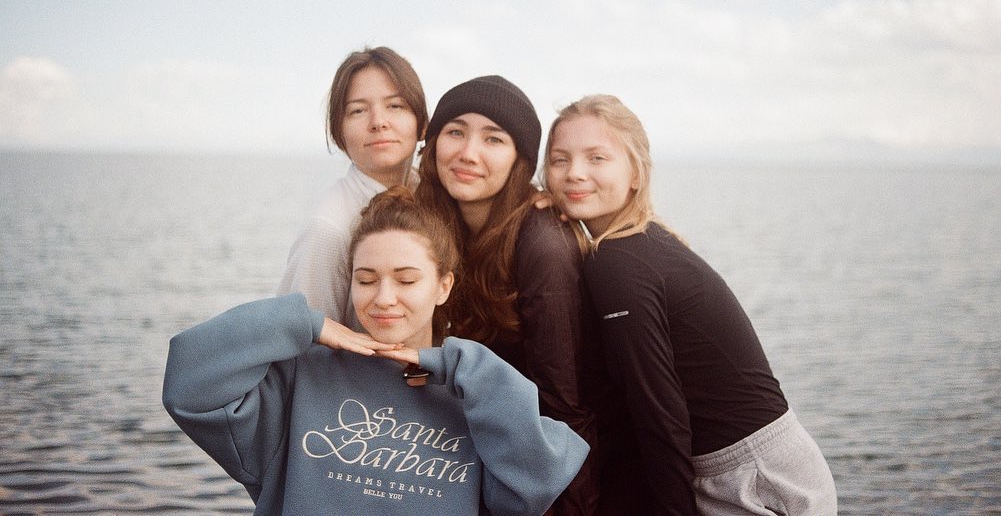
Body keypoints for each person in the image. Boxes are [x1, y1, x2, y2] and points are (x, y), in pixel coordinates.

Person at [163, 187, 589, 515]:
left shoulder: (473, 394)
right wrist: (304, 323)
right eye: (366, 280)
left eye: (406, 280)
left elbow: (537, 482)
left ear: (443, 286)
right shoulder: (304, 378)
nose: (384, 298)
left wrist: (463, 364)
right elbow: (190, 386)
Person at [544, 94, 837, 516]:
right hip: (776, 465)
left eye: (597, 158)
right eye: (559, 160)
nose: (575, 172)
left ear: (635, 173)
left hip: (752, 480)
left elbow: (658, 414)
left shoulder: (618, 264)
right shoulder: (645, 239)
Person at [414, 75, 598, 515]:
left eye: (493, 139)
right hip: (481, 458)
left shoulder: (543, 244)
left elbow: (564, 407)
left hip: (548, 474)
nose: (468, 153)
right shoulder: (435, 223)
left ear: (520, 160)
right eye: (455, 131)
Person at [277, 46, 428, 337]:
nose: (378, 122)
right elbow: (303, 343)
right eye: (358, 110)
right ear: (339, 132)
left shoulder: (430, 192)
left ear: (422, 123)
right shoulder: (328, 230)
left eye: (395, 106)